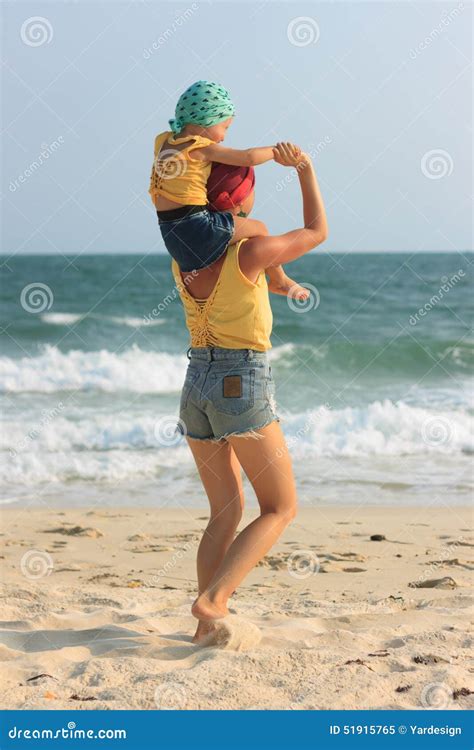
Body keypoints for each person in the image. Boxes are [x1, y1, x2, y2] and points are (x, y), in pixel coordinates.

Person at [172, 142, 328, 643]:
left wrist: (286, 286)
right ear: (242, 201)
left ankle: (203, 628)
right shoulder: (251, 250)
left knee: (224, 511)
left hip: (196, 381)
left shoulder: (185, 258)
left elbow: (243, 283)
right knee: (281, 507)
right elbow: (316, 232)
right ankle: (213, 600)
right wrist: (305, 169)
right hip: (240, 380)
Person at [149, 80, 308, 299]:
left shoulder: (162, 142)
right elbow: (247, 157)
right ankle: (279, 281)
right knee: (259, 228)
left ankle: (274, 280)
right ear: (208, 119)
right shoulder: (200, 148)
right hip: (197, 230)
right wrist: (275, 152)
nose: (223, 136)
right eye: (225, 127)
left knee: (247, 232)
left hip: (171, 236)